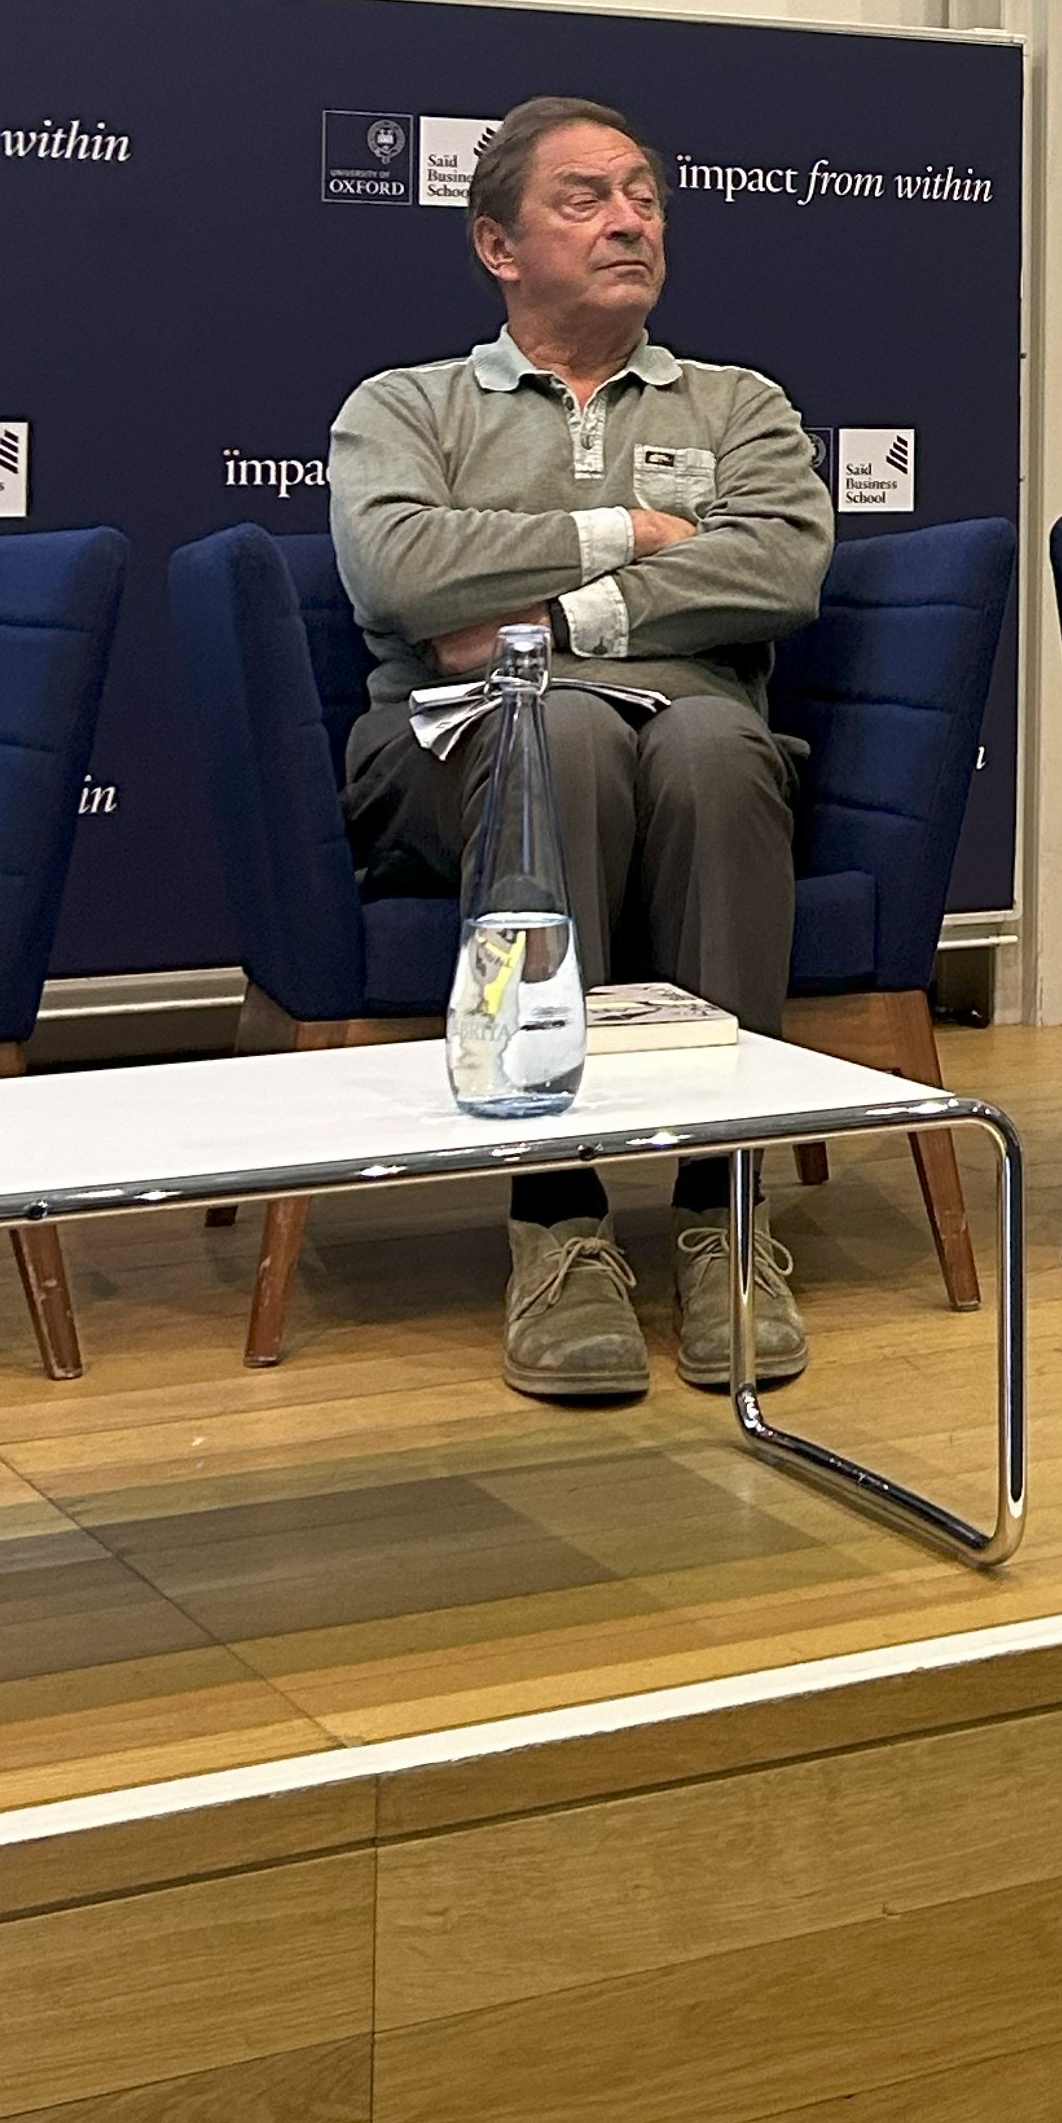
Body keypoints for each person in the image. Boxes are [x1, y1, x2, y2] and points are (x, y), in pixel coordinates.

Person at [329, 95, 833, 1406]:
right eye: (586, 199)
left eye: (644, 198)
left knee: (716, 749)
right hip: (457, 736)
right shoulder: (408, 406)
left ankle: (727, 1209)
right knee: (556, 731)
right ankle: (555, 1220)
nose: (629, 221)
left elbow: (778, 568)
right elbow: (401, 572)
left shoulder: (739, 405)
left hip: (684, 725)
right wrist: (634, 530)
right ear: (499, 246)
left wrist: (556, 617)